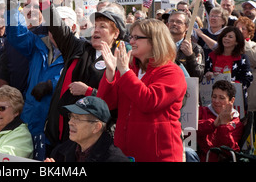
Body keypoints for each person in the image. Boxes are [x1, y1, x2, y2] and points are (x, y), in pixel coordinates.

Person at [28, 0, 127, 152]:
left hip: (96, 138)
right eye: (95, 25)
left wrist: (89, 91)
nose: (96, 29)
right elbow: (55, 21)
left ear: (116, 33)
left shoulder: (124, 59)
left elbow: (122, 100)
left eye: (103, 26)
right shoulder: (79, 47)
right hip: (63, 132)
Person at [97, 18, 187, 162]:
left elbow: (149, 101)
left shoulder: (172, 72)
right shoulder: (128, 69)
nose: (131, 42)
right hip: (124, 153)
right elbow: (106, 104)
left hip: (159, 155)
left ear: (155, 40)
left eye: (137, 37)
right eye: (131, 37)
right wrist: (110, 72)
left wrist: (125, 71)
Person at [5, 0, 78, 160]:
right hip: (31, 119)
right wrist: (12, 9)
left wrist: (52, 84)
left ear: (73, 28)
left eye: (61, 26)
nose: (55, 31)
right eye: (52, 27)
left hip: (59, 125)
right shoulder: (38, 44)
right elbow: (16, 35)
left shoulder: (80, 51)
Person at [45, 96, 128, 162]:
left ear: (96, 127)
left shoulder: (115, 159)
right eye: (71, 116)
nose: (70, 122)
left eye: (77, 118)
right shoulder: (60, 152)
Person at [204, 26, 253, 109]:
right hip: (214, 102)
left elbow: (248, 79)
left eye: (230, 37)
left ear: (237, 42)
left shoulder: (242, 58)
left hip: (235, 102)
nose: (226, 38)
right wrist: (208, 74)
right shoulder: (212, 56)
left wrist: (232, 84)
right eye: (224, 36)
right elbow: (204, 73)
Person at [197, 80, 244, 162]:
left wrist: (224, 125)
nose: (216, 101)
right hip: (198, 156)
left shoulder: (236, 123)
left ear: (232, 100)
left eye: (221, 98)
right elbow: (189, 128)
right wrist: (213, 124)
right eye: (214, 96)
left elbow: (228, 151)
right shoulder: (202, 111)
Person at [167, 10, 205, 80]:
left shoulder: (195, 48)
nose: (174, 24)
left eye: (179, 22)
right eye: (171, 21)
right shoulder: (160, 45)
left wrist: (190, 56)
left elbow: (198, 77)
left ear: (187, 27)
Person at [235, 16, 256, 111]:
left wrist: (243, 42)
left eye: (243, 28)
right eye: (237, 28)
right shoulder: (229, 44)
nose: (239, 30)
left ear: (249, 32)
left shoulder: (253, 45)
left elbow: (253, 59)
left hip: (249, 87)